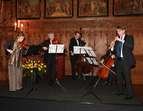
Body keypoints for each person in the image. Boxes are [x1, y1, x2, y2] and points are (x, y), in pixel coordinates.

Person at [112, 26, 136, 100]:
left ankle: (129, 95)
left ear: (123, 31)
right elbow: (114, 52)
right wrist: (112, 46)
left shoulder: (129, 38)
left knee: (127, 78)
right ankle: (120, 91)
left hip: (126, 61)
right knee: (118, 77)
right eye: (117, 31)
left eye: (119, 31)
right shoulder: (117, 40)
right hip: (118, 61)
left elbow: (131, 46)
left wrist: (122, 40)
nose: (117, 33)